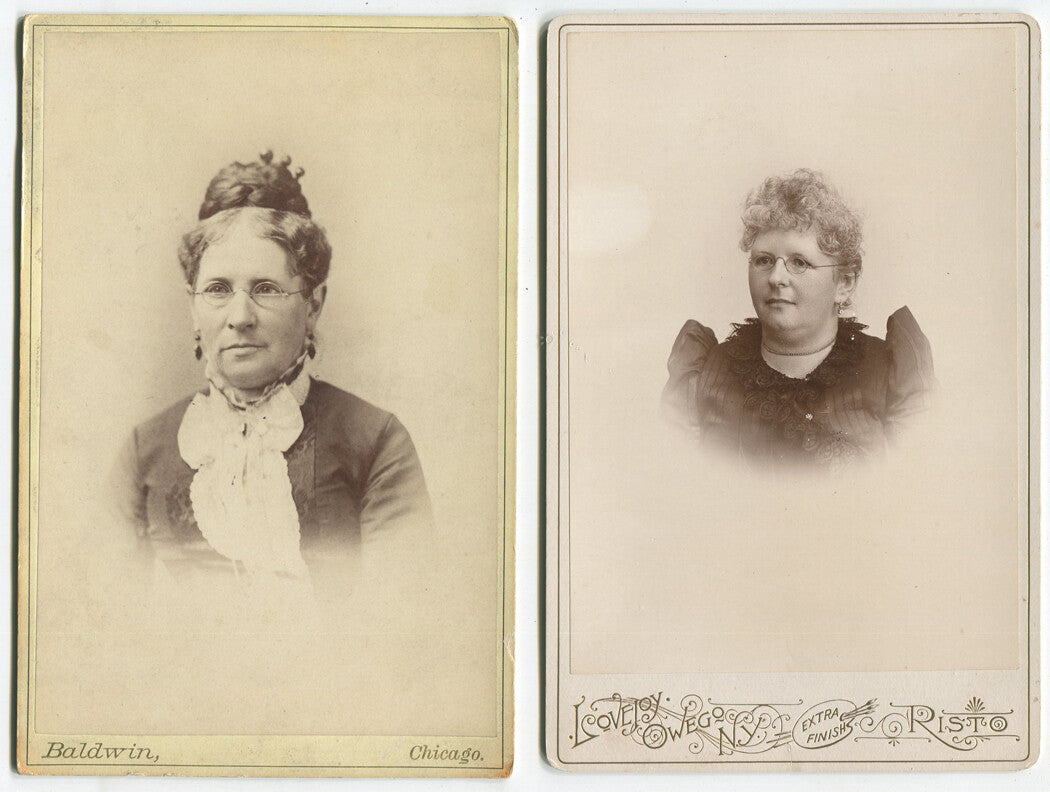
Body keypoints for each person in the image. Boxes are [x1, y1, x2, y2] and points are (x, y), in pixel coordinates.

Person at [114, 152, 432, 600]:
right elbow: (109, 626)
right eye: (218, 290)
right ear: (193, 308)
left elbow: (402, 623)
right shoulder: (145, 450)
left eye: (266, 289)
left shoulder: (374, 440)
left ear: (313, 304)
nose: (240, 316)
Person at [662, 169, 936, 471]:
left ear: (844, 283)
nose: (776, 278)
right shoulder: (703, 373)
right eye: (764, 260)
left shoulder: (889, 373)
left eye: (799, 262)